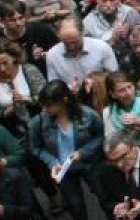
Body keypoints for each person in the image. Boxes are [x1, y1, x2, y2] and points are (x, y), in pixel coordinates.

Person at [27, 80, 104, 220]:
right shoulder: (38, 122)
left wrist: (83, 152)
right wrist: (51, 162)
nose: (45, 109)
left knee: (103, 195)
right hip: (63, 168)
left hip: (89, 163)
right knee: (76, 206)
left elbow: (99, 137)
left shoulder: (88, 115)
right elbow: (36, 147)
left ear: (64, 100)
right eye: (43, 105)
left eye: (50, 105)